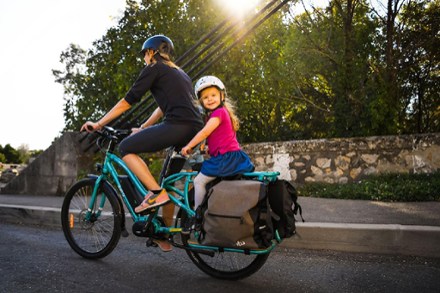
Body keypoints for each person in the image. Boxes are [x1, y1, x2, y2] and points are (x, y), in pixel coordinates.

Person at [81, 35, 203, 252]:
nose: (144, 60)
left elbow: (127, 101)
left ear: (150, 52)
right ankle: (163, 233)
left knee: (126, 147)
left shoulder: (154, 67)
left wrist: (99, 124)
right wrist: (145, 127)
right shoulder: (179, 73)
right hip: (193, 129)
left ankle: (155, 194)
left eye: (144, 55)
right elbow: (163, 107)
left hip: (178, 125)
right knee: (168, 182)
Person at [181, 76, 254, 232]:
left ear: (222, 96)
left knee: (199, 181)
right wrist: (209, 149)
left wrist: (189, 146)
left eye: (213, 95)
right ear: (201, 102)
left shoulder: (218, 113)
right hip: (229, 156)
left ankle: (197, 216)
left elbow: (205, 132)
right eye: (205, 97)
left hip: (226, 159)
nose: (210, 99)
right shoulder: (218, 114)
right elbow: (223, 138)